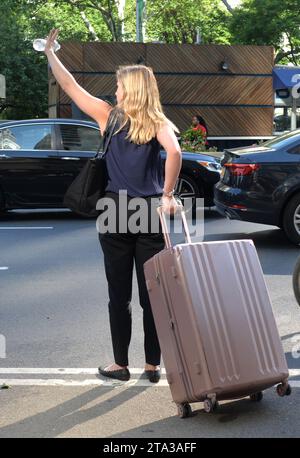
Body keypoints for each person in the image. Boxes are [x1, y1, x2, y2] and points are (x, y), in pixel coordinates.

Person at [44, 29, 182, 383]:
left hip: (115, 211)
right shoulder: (158, 121)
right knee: (153, 293)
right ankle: (153, 366)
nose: (115, 91)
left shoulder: (109, 116)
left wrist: (50, 53)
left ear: (130, 90)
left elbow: (71, 85)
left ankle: (120, 365)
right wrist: (166, 195)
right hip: (149, 212)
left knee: (117, 293)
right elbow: (175, 152)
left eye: (119, 86)